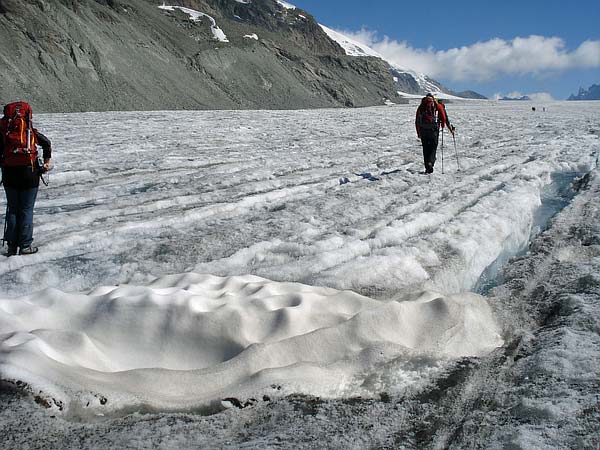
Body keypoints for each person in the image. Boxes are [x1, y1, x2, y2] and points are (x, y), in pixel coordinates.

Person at [0, 102, 52, 256]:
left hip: (10, 173)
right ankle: (25, 245)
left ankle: (11, 246)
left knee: (13, 208)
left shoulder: (3, 131)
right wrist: (47, 162)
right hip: (30, 173)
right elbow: (47, 144)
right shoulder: (30, 132)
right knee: (26, 209)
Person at [415, 93, 453, 174]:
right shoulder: (437, 105)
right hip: (434, 130)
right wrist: (442, 126)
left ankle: (427, 167)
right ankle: (431, 163)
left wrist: (418, 132)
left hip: (423, 130)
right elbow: (443, 117)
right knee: (433, 148)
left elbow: (417, 120)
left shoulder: (421, 106)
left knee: (425, 149)